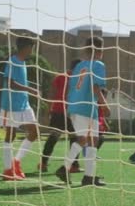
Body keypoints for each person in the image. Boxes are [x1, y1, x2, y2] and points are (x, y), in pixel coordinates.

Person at [55, 37, 110, 186]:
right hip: (86, 107)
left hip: (76, 106)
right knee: (89, 140)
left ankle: (85, 175)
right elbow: (96, 87)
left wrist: (69, 106)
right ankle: (79, 173)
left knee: (87, 140)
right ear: (100, 50)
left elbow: (71, 87)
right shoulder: (98, 64)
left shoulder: (79, 66)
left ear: (86, 49)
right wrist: (104, 104)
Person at [0, 36, 40, 181]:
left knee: (34, 132)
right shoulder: (13, 61)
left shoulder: (22, 63)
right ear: (26, 47)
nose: (32, 51)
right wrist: (30, 89)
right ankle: (7, 169)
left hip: (24, 104)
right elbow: (10, 83)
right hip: (11, 105)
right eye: (32, 47)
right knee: (10, 135)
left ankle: (16, 161)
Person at [38, 59, 82, 173]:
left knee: (53, 138)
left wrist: (48, 110)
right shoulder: (77, 79)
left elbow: (51, 93)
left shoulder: (59, 77)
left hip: (57, 112)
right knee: (75, 138)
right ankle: (74, 165)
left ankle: (43, 163)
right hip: (69, 112)